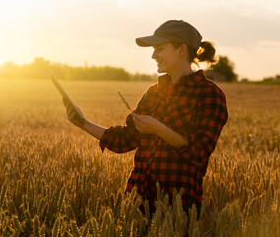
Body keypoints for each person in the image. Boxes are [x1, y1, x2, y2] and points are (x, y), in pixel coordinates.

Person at [62, 20, 228, 221]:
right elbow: (126, 139)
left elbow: (199, 150)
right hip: (137, 201)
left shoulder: (210, 95)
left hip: (179, 205)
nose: (153, 55)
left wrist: (159, 129)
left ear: (182, 50)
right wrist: (83, 123)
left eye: (159, 49)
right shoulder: (153, 93)